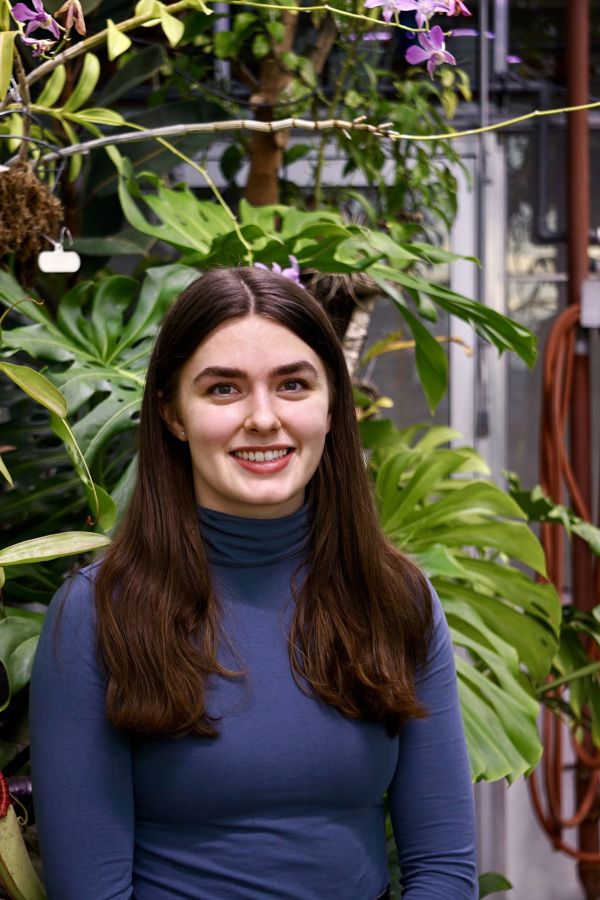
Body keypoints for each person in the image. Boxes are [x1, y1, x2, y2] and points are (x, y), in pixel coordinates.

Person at [30, 267, 477, 899]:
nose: (263, 418)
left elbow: (444, 872)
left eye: (293, 384)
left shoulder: (395, 599)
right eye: (223, 390)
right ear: (173, 414)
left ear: (332, 407)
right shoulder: (98, 615)